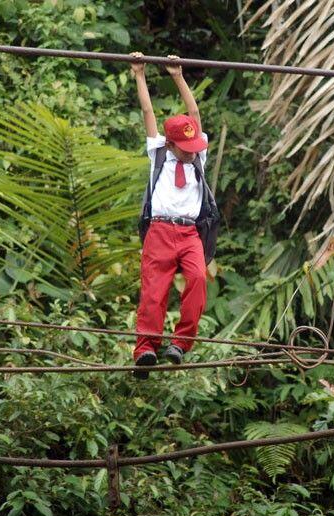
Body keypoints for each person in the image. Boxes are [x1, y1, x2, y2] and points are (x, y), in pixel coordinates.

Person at [129, 52, 220, 380]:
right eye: (186, 147)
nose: (193, 150)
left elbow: (194, 112)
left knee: (197, 279)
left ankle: (181, 343)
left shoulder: (199, 158)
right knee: (154, 289)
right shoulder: (159, 155)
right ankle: (145, 350)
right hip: (160, 231)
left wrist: (177, 75)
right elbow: (147, 111)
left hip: (189, 234)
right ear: (171, 144)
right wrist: (140, 74)